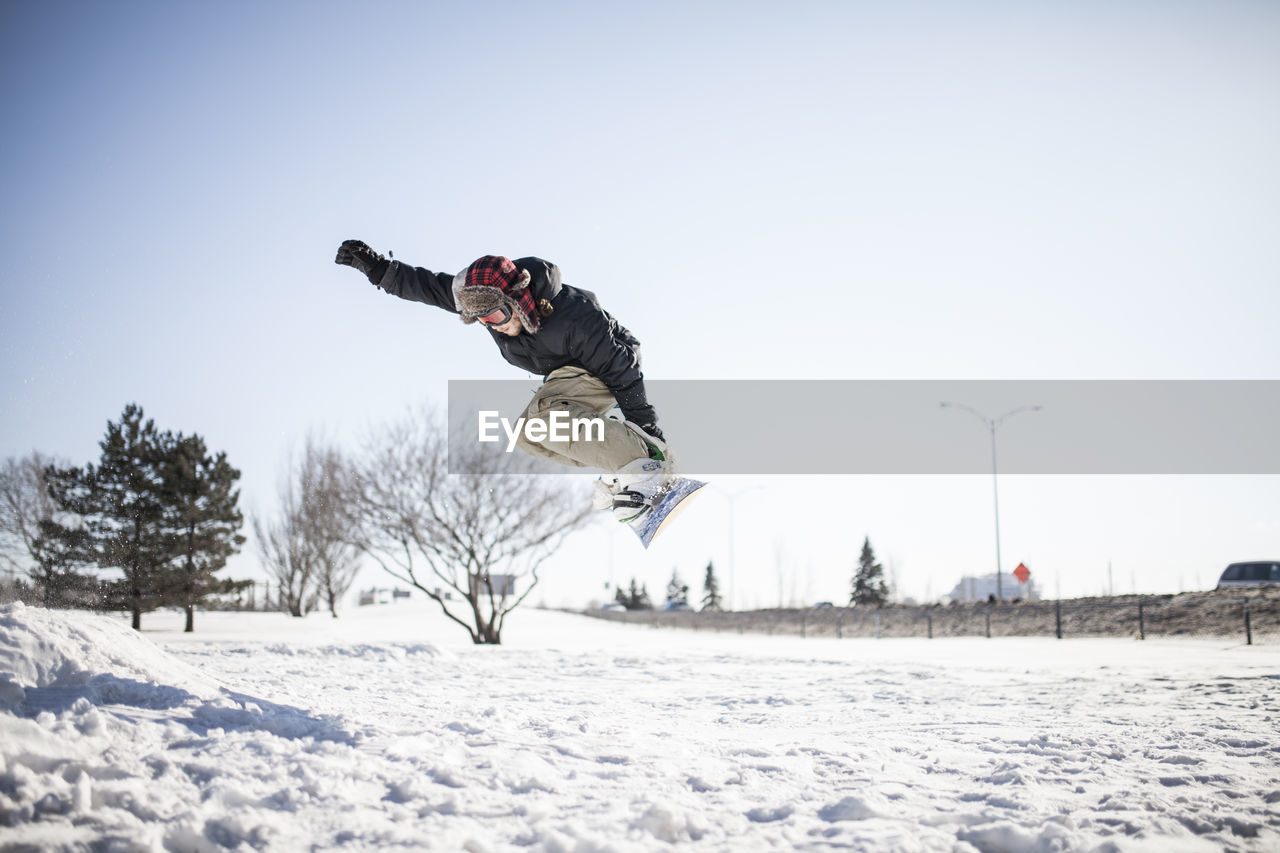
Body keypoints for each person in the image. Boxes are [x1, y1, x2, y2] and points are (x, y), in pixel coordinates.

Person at [334, 240, 673, 527]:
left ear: (518, 298)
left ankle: (645, 462)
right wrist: (378, 270)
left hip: (604, 367)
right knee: (528, 436)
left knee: (543, 420)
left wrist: (647, 426)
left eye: (496, 316)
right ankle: (624, 465)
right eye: (480, 320)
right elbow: (431, 287)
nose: (492, 325)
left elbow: (622, 370)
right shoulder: (487, 306)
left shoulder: (574, 317)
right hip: (566, 376)